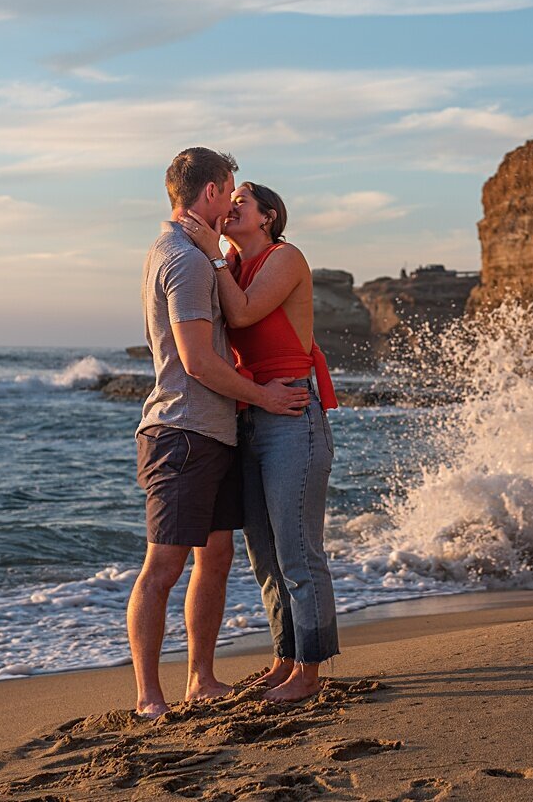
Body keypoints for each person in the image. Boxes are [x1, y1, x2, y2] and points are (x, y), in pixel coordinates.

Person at [128, 148, 311, 720]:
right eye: (228, 190)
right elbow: (198, 361)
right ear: (210, 192)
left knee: (217, 556)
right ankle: (148, 698)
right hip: (181, 430)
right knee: (163, 565)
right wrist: (266, 397)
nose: (232, 200)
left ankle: (200, 679)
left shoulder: (199, 256)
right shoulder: (182, 258)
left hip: (214, 431)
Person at [179, 182, 340, 703]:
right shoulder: (227, 260)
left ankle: (309, 673)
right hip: (248, 414)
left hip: (291, 412)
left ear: (268, 216)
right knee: (264, 556)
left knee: (297, 550)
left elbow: (244, 314)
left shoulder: (284, 256)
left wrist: (211, 256)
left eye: (241, 201)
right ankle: (284, 658)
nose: (231, 206)